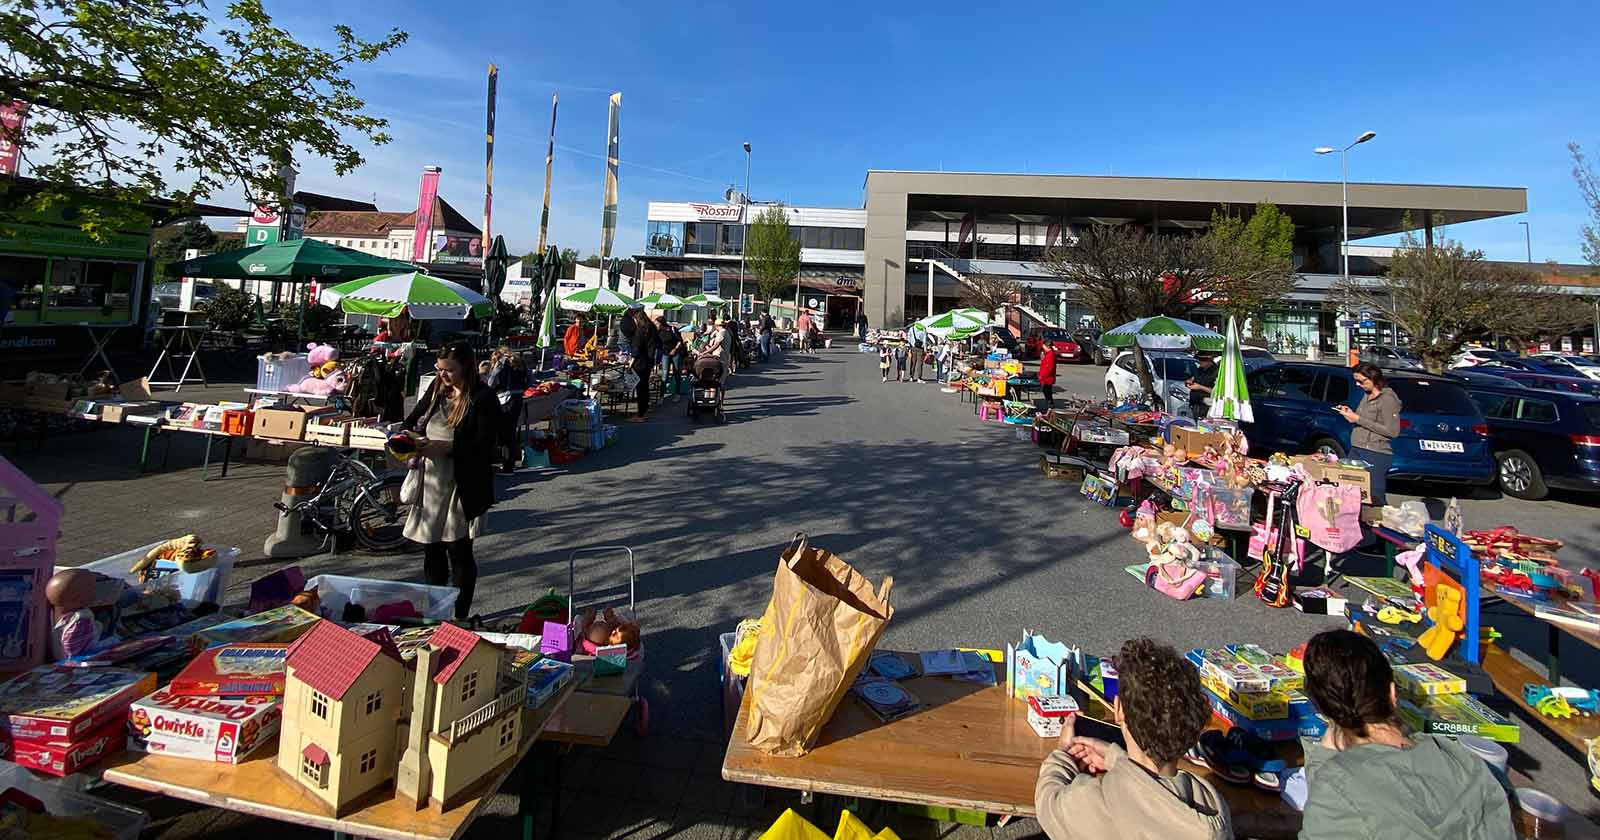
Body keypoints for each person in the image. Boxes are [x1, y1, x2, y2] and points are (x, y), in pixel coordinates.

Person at [1298, 630, 1514, 840]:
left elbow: (1328, 813)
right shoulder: (1461, 761)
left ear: (1326, 711)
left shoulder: (1336, 787)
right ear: (1392, 694)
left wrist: (1323, 754)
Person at [1035, 637, 1230, 840]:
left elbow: (1049, 803)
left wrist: (1062, 755)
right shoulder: (1211, 809)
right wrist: (1116, 759)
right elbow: (1154, 794)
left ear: (1118, 709)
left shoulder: (1095, 803)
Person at [403, 342, 499, 621]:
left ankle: (459, 614)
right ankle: (436, 610)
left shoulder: (483, 397)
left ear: (466, 368)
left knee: (458, 551)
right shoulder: (436, 391)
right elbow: (410, 421)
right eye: (439, 369)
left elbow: (484, 446)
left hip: (462, 485)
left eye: (449, 371)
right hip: (431, 484)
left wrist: (444, 448)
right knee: (431, 549)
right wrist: (408, 438)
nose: (443, 375)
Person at [1335, 361, 1402, 505]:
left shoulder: (1387, 399)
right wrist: (1350, 415)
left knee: (1373, 496)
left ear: (1373, 378)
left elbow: (1393, 431)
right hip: (1357, 448)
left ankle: (1378, 524)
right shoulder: (1366, 396)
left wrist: (1358, 419)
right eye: (1356, 381)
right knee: (1349, 493)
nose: (1358, 385)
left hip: (1375, 452)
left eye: (1361, 381)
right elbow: (1363, 420)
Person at [486, 347, 527, 472]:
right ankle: (510, 463)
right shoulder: (520, 361)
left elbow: (491, 382)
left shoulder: (502, 362)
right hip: (518, 398)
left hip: (505, 399)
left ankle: (507, 467)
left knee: (505, 434)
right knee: (511, 431)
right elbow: (530, 380)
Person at [627, 307, 657, 422]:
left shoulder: (640, 331)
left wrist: (630, 364)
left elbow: (636, 350)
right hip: (648, 361)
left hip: (640, 362)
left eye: (634, 319)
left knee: (640, 388)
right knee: (644, 387)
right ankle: (643, 412)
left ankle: (640, 415)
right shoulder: (651, 328)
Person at [656, 314, 684, 399]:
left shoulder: (672, 329)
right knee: (665, 374)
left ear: (662, 324)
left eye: (657, 324)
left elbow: (680, 341)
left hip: (675, 353)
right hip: (665, 353)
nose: (656, 325)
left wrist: (675, 349)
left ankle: (677, 393)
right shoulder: (658, 332)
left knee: (677, 373)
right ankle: (662, 395)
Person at [1186, 352, 1219, 419]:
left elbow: (1215, 391)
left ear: (1209, 360)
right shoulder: (1200, 370)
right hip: (1195, 404)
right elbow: (1193, 378)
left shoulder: (1216, 372)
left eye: (1202, 360)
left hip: (1206, 406)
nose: (1199, 361)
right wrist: (1189, 381)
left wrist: (1200, 387)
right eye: (1199, 359)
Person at [1038, 341, 1058, 412]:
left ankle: (1050, 406)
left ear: (1047, 347)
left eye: (1044, 346)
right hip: (1046, 377)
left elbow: (1048, 368)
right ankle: (1049, 405)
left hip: (1047, 378)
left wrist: (1042, 376)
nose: (1043, 348)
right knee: (1047, 391)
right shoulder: (1048, 354)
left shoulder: (1051, 355)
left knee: (1047, 391)